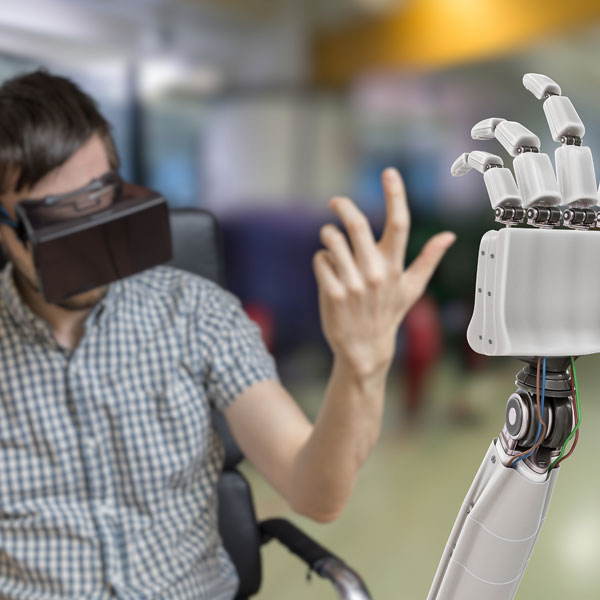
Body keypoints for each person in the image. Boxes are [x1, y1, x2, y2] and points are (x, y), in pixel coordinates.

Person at [0, 70, 456, 599]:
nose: (86, 251)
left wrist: (362, 367)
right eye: (54, 229)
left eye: (98, 206)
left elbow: (317, 493)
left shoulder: (196, 313)